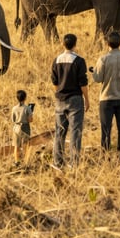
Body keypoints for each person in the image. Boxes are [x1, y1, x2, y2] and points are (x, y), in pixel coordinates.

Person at [91, 31, 120, 159]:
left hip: (106, 98)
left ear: (107, 43)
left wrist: (94, 71)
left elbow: (98, 79)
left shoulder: (103, 59)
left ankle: (105, 155)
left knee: (106, 129)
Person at [51, 33, 89, 169]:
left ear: (63, 44)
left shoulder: (57, 60)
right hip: (75, 100)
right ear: (75, 44)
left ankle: (57, 162)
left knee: (59, 131)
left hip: (60, 99)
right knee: (75, 131)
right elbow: (83, 83)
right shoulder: (79, 60)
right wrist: (87, 99)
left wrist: (59, 91)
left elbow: (54, 81)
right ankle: (74, 163)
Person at [11, 89, 34, 163]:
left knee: (16, 146)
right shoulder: (27, 108)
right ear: (25, 98)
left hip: (16, 127)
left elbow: (13, 120)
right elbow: (30, 120)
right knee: (26, 145)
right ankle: (26, 161)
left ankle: (16, 161)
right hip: (25, 127)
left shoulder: (14, 108)